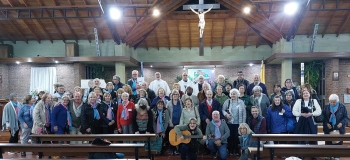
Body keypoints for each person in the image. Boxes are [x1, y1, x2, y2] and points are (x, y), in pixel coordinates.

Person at [322, 94, 349, 160]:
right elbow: (323, 117)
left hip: (339, 128)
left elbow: (346, 117)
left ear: (337, 101)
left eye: (334, 102)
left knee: (338, 143)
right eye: (331, 102)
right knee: (328, 142)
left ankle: (336, 156)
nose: (332, 103)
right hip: (329, 128)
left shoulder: (342, 107)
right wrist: (326, 123)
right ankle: (328, 156)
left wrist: (342, 123)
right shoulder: (326, 106)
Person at [222, 88, 246, 156]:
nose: (233, 95)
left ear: (237, 94)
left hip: (238, 123)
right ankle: (230, 150)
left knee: (236, 137)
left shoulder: (241, 102)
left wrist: (243, 123)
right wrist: (226, 115)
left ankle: (235, 150)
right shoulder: (228, 101)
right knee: (230, 136)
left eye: (234, 94)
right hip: (229, 123)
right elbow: (223, 110)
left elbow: (244, 113)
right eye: (232, 94)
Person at [167, 90, 183, 155]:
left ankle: (176, 150)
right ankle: (171, 149)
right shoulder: (169, 103)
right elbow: (167, 114)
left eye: (177, 94)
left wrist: (181, 122)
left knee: (178, 136)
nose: (175, 96)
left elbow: (182, 112)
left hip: (179, 123)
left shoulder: (180, 102)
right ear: (172, 96)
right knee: (172, 136)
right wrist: (170, 122)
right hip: (172, 123)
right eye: (174, 94)